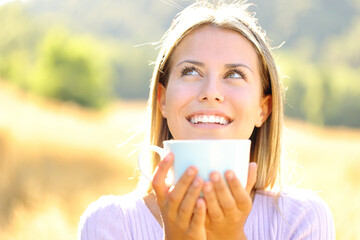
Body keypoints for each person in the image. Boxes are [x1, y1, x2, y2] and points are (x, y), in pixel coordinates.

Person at [78, 1, 335, 239]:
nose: (211, 92)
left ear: (263, 109)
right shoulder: (108, 222)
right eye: (191, 71)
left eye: (234, 74)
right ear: (163, 100)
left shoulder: (301, 219)